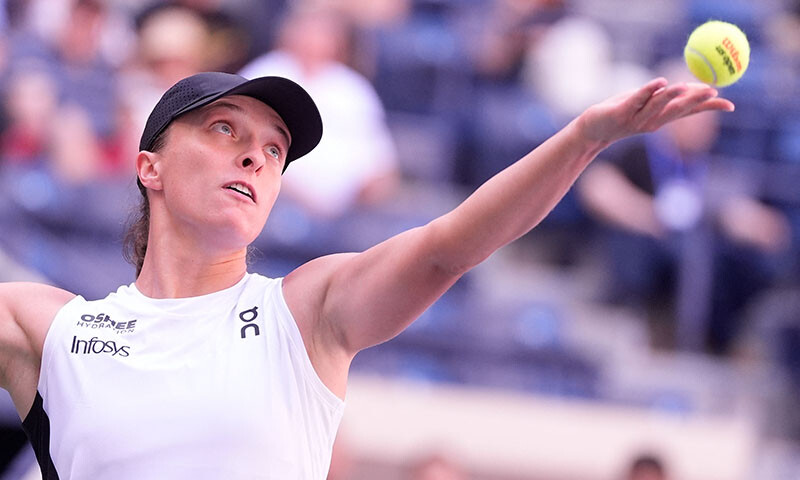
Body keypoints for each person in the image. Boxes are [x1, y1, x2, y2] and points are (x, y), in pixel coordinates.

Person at [0, 70, 733, 479]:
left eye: (275, 149)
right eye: (225, 129)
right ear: (148, 167)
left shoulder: (307, 311)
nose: (256, 156)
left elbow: (451, 246)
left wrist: (584, 137)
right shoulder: (52, 326)